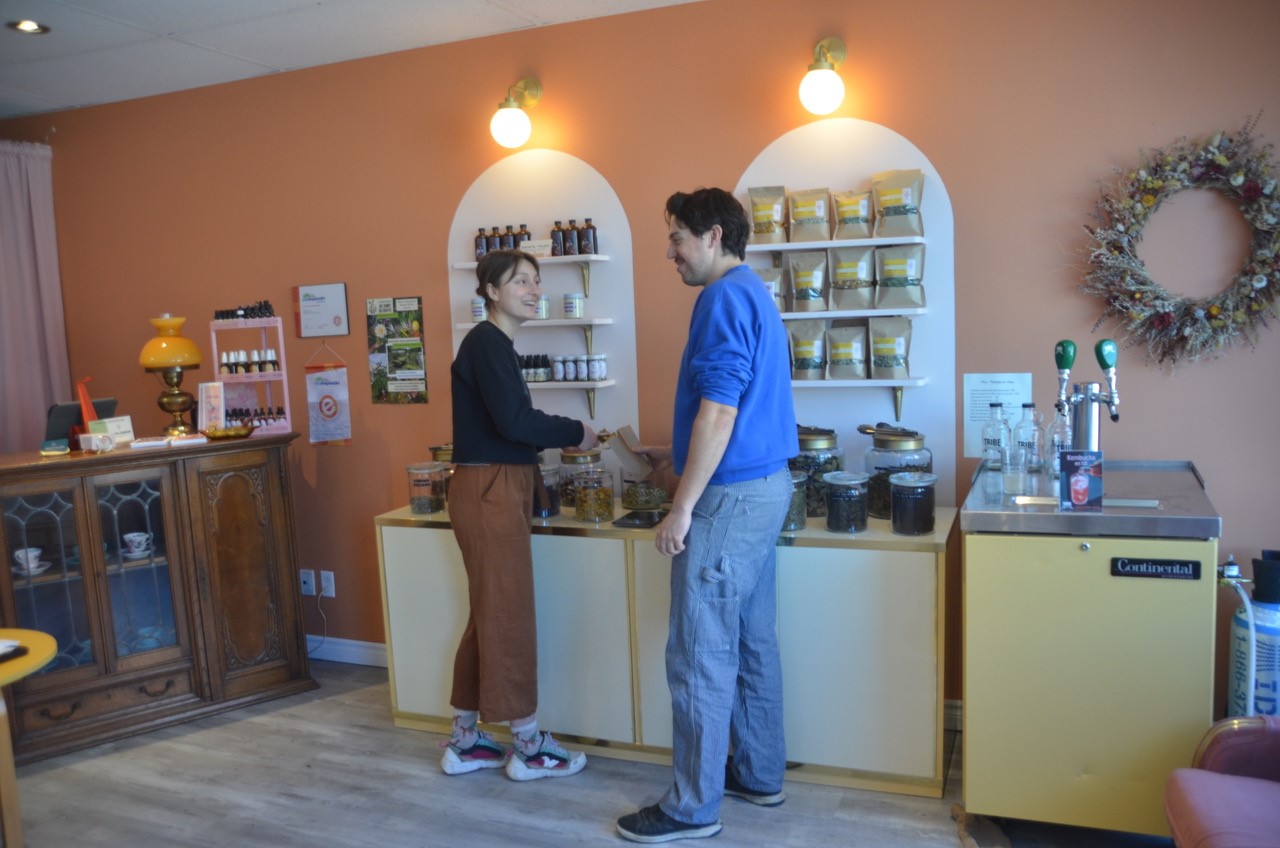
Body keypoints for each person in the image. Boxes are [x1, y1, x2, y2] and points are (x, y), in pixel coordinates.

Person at [616, 188, 798, 843]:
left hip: (727, 503)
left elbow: (720, 412)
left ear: (714, 235)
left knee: (699, 654)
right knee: (751, 640)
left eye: (677, 239)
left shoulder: (719, 298)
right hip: (766, 489)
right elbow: (735, 410)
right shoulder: (754, 292)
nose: (670, 252)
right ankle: (758, 773)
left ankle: (691, 809)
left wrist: (681, 507)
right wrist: (676, 452)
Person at [443, 248, 597, 781]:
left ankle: (465, 740)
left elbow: (509, 422)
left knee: (489, 614)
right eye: (521, 282)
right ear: (490, 291)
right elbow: (515, 421)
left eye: (537, 281)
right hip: (491, 487)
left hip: (488, 484)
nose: (534, 290)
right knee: (507, 614)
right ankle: (529, 747)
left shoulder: (494, 346)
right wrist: (576, 431)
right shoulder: (487, 343)